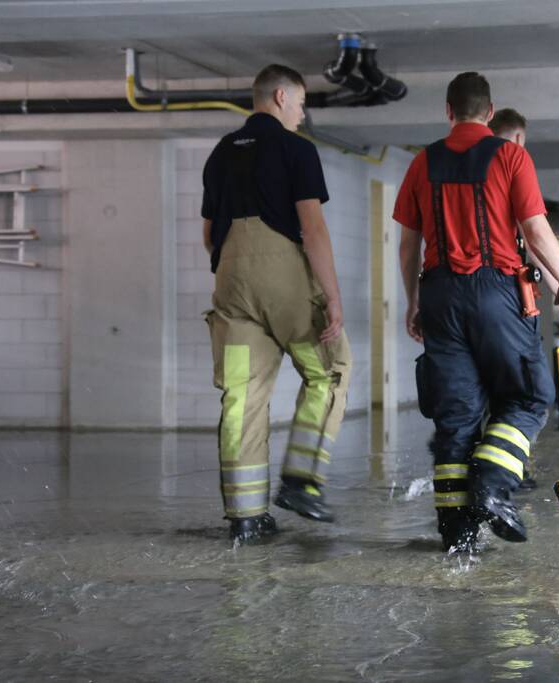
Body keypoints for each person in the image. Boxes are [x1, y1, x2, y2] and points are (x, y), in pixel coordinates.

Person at [394, 72, 559, 551]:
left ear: (448, 111)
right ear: (491, 112)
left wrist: (414, 300)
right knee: (532, 396)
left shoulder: (422, 162)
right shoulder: (511, 156)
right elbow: (536, 231)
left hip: (439, 294)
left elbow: (409, 242)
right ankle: (493, 486)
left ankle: (458, 535)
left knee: (456, 416)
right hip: (498, 292)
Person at [201, 63, 352, 543]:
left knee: (241, 397)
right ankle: (302, 481)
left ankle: (245, 515)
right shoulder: (296, 149)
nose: (303, 116)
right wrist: (332, 295)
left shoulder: (220, 153)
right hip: (281, 275)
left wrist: (238, 267)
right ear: (283, 97)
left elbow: (209, 235)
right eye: (303, 104)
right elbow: (312, 229)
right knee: (329, 369)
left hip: (230, 278)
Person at [488, 107, 553, 491]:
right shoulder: (513, 164)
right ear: (515, 139)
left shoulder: (466, 169)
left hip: (461, 293)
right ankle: (506, 469)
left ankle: (496, 466)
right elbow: (532, 234)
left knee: (486, 390)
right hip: (507, 295)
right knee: (530, 391)